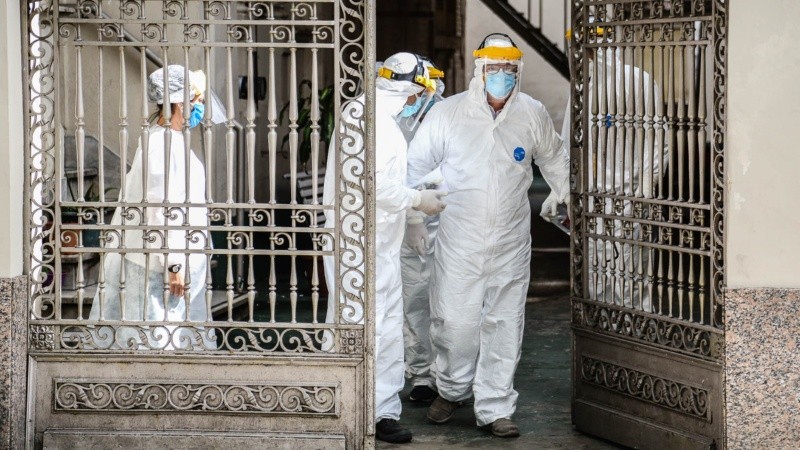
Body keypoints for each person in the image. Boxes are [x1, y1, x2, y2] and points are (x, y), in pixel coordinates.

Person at [406, 34, 570, 437]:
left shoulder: (531, 113)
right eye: (494, 68)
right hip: (459, 238)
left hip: (511, 239)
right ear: (480, 70)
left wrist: (565, 195)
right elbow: (414, 166)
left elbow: (554, 158)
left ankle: (495, 406)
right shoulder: (449, 113)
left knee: (505, 323)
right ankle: (452, 389)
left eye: (509, 68)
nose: (502, 76)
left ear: (518, 70)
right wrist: (413, 215)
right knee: (454, 323)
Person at [320, 52, 447, 444]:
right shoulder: (361, 116)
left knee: (388, 329)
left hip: (382, 246)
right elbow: (368, 184)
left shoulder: (386, 121)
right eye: (423, 93)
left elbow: (390, 179)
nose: (422, 101)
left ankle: (381, 412)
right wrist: (417, 201)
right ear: (412, 90)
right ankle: (341, 407)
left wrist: (410, 216)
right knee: (356, 326)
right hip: (355, 245)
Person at [89, 65, 215, 350]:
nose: (200, 107)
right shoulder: (162, 144)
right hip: (161, 266)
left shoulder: (167, 139)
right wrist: (174, 264)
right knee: (157, 339)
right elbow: (161, 207)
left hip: (170, 260)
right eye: (197, 101)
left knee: (170, 336)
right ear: (180, 103)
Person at [553, 28, 665, 312]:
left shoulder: (636, 81)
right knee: (594, 273)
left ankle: (632, 330)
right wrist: (562, 189)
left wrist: (647, 183)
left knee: (630, 274)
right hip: (589, 200)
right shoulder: (580, 89)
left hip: (629, 198)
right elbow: (567, 144)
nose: (581, 54)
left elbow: (657, 137)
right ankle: (599, 330)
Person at [400, 58, 446, 404]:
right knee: (414, 297)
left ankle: (452, 372)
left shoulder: (447, 117)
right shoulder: (393, 122)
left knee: (452, 299)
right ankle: (420, 374)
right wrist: (413, 218)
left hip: (449, 218)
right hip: (407, 220)